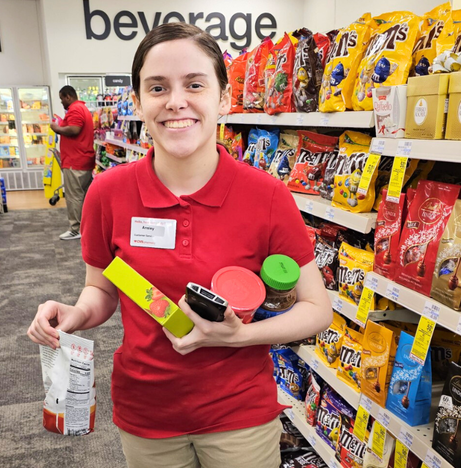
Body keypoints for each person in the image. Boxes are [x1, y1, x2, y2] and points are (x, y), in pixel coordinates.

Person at [28, 23, 332, 468]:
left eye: (194, 84)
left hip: (239, 414)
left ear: (224, 98)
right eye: (157, 87)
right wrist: (77, 314)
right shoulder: (107, 193)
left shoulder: (267, 196)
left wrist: (240, 336)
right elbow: (102, 288)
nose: (176, 101)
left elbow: (317, 310)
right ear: (137, 102)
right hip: (147, 411)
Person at [51, 85, 95, 240]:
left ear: (68, 96)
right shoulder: (83, 109)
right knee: (83, 196)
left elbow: (75, 129)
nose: (62, 102)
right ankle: (86, 227)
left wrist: (56, 128)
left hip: (75, 161)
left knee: (74, 196)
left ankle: (75, 229)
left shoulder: (75, 109)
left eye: (62, 98)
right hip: (83, 159)